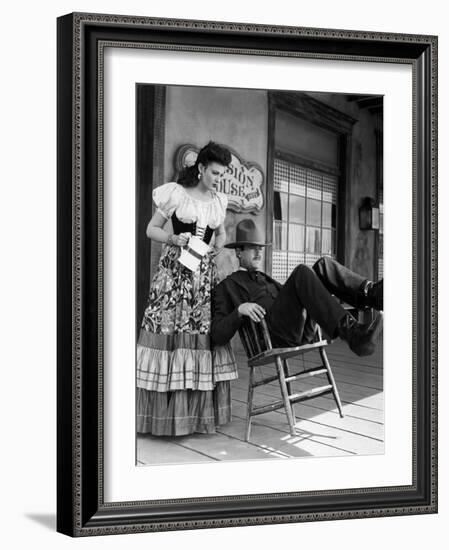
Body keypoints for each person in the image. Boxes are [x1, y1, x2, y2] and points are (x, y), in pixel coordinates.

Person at [137, 141, 237, 436]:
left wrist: (216, 246)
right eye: (215, 173)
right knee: (169, 333)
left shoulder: (219, 201)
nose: (218, 179)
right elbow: (150, 229)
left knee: (199, 334)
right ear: (202, 167)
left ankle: (195, 416)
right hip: (173, 274)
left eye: (222, 174)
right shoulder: (177, 194)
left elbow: (221, 233)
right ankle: (162, 417)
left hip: (202, 275)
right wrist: (172, 239)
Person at [211, 218, 383, 357]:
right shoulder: (227, 286)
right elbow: (218, 335)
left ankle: (374, 294)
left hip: (297, 328)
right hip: (273, 336)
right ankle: (353, 334)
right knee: (301, 272)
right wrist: (240, 310)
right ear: (239, 252)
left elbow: (289, 298)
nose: (259, 253)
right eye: (252, 248)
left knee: (323, 265)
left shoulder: (264, 278)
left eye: (260, 248)